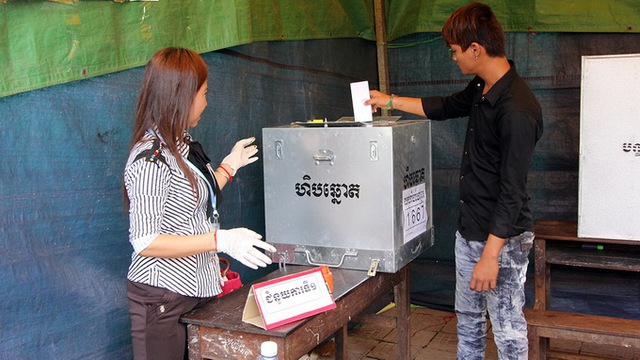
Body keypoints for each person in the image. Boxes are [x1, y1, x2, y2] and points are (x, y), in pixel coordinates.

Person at [366, 3, 543, 359]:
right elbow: (446, 106)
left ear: (475, 49)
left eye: (455, 51)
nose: (453, 58)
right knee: (469, 321)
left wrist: (491, 256)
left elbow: (512, 192)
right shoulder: (483, 85)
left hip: (502, 243)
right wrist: (389, 101)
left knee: (507, 328)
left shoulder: (517, 110)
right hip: (470, 231)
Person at [123, 47, 276, 360]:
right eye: (204, 93)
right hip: (161, 297)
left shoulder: (181, 143)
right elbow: (145, 240)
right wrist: (220, 239)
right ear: (182, 96)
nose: (206, 101)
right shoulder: (151, 160)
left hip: (197, 288)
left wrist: (228, 168)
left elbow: (190, 199)